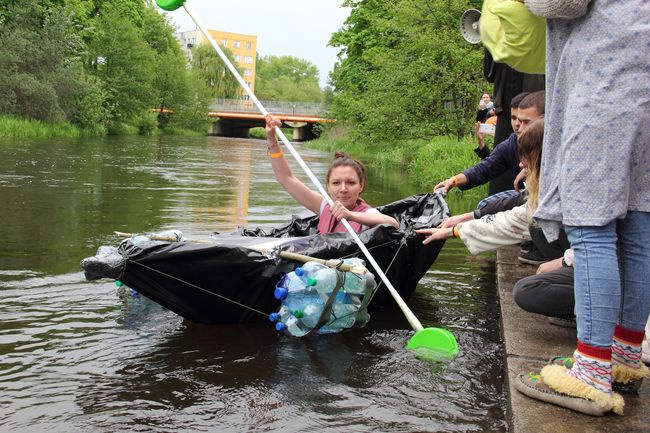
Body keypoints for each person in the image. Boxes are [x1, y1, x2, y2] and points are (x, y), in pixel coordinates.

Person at [512, 0, 650, 417]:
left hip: (605, 81)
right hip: (641, 79)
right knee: (638, 223)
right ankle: (624, 356)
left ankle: (591, 370)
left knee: (591, 228)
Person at [265, 114, 399, 234]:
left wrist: (350, 215)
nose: (343, 189)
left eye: (351, 182)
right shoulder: (324, 206)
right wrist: (272, 139)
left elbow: (393, 224)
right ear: (328, 186)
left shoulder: (368, 215)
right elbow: (285, 178)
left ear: (361, 186)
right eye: (336, 183)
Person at [434, 90, 544, 194]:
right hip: (527, 199)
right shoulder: (510, 145)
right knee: (485, 205)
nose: (517, 124)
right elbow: (485, 168)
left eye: (526, 121)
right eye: (514, 118)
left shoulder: (551, 146)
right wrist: (453, 181)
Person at [473, 92, 529, 160]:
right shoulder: (510, 142)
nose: (517, 123)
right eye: (514, 118)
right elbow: (493, 163)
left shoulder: (540, 146)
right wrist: (481, 141)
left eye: (523, 120)